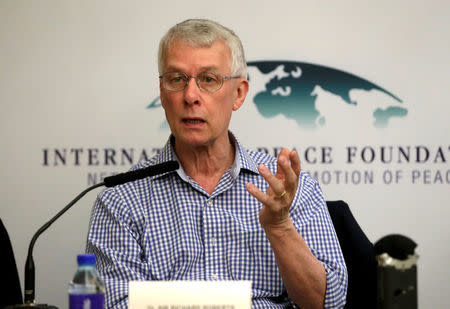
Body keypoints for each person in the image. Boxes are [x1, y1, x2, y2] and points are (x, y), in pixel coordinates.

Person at [86, 19, 347, 309]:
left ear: (239, 93)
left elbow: (328, 304)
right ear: (162, 93)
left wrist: (280, 227)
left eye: (209, 80)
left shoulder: (288, 189)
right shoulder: (121, 198)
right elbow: (114, 304)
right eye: (176, 79)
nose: (190, 96)